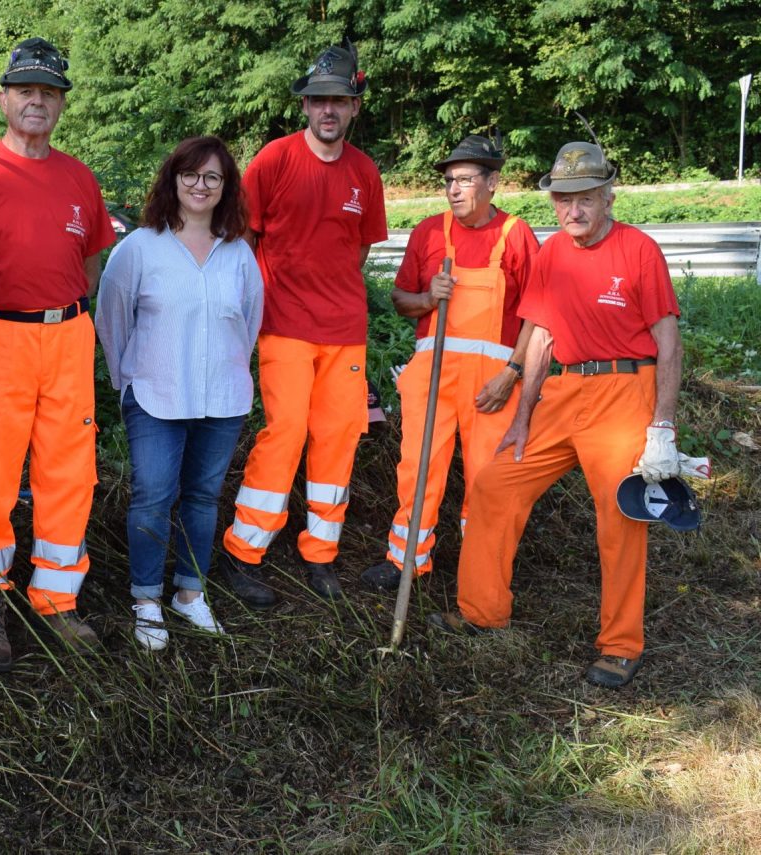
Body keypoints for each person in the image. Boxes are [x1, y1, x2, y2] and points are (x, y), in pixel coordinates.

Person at [429, 142, 684, 690]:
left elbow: (668, 341)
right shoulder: (552, 255)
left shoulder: (638, 250)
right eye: (564, 200)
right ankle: (481, 610)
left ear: (608, 197)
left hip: (624, 391)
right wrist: (522, 415)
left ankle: (620, 645)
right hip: (562, 394)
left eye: (586, 198)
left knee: (620, 516)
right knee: (497, 482)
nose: (574, 211)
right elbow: (540, 337)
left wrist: (662, 425)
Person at [0, 38, 114, 669]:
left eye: (48, 91)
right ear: (4, 98)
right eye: (25, 89)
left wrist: (63, 313)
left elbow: (90, 261)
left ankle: (58, 600)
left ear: (61, 103)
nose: (36, 100)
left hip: (67, 334)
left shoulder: (77, 177)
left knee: (70, 471)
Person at [220, 41, 388, 605]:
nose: (328, 111)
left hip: (345, 331)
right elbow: (242, 239)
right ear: (306, 106)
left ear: (355, 106)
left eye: (339, 101)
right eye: (319, 100)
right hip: (284, 325)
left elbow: (358, 251)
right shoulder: (274, 160)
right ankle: (244, 552)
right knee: (284, 432)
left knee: (338, 440)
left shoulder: (365, 171)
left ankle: (321, 552)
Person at [96, 136, 264, 650]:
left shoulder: (237, 253)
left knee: (202, 497)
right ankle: (146, 598)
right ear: (172, 180)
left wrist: (227, 366)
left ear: (225, 188)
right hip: (155, 394)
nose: (200, 185)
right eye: (190, 174)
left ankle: (189, 594)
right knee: (152, 497)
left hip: (223, 397)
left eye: (212, 177)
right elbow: (112, 318)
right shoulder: (140, 247)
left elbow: (250, 322)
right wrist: (127, 380)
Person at [361, 135, 540, 592]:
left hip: (494, 382)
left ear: (493, 182)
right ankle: (407, 560)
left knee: (487, 476)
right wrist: (427, 298)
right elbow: (400, 299)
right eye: (449, 181)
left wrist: (513, 373)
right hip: (432, 374)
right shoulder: (428, 232)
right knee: (418, 468)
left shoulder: (515, 235)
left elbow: (538, 317)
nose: (454, 189)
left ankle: (480, 571)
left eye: (465, 179)